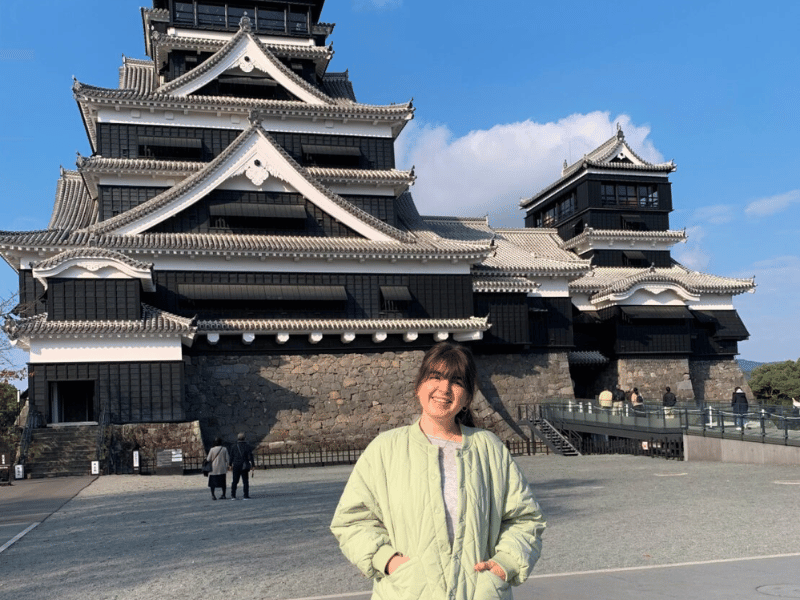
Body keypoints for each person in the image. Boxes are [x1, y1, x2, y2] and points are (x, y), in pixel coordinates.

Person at [330, 342, 545, 600]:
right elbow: (353, 519)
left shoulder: (488, 449)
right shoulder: (386, 450)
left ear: (466, 397)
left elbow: (524, 518)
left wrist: (503, 565)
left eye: (456, 381)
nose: (444, 388)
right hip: (407, 592)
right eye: (435, 377)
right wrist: (389, 561)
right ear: (419, 386)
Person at [229, 432, 254, 499]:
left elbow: (231, 456)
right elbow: (250, 456)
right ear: (244, 438)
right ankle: (246, 495)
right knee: (245, 481)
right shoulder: (247, 446)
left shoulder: (234, 446)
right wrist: (253, 465)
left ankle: (233, 495)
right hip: (244, 465)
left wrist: (230, 464)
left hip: (236, 465)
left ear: (238, 438)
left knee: (235, 481)